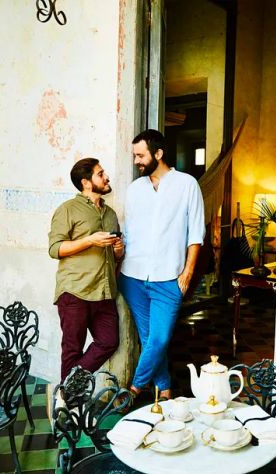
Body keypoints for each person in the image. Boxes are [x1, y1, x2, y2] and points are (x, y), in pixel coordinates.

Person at [119, 129, 205, 401]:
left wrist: (188, 272)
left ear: (158, 154)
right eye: (135, 156)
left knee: (159, 338)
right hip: (132, 276)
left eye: (141, 155)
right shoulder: (135, 190)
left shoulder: (187, 184)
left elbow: (196, 233)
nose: (136, 161)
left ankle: (134, 389)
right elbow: (130, 232)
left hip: (169, 277)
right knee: (148, 338)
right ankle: (165, 389)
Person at [48, 158, 124, 382]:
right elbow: (55, 249)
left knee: (109, 341)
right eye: (101, 174)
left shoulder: (110, 214)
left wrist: (118, 250)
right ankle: (68, 406)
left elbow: (116, 256)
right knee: (72, 350)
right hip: (75, 291)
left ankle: (67, 387)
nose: (107, 177)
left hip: (104, 292)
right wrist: (90, 240)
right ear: (86, 182)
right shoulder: (67, 210)